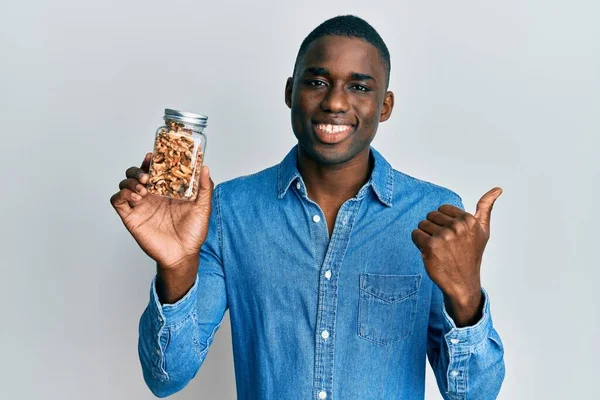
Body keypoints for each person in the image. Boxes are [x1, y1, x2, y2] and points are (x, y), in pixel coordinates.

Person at [110, 15, 505, 400]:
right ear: (290, 92)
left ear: (384, 106)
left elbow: (474, 394)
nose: (334, 101)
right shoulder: (227, 211)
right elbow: (166, 378)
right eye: (317, 82)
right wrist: (176, 267)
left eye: (359, 87)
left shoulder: (435, 214)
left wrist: (466, 295)